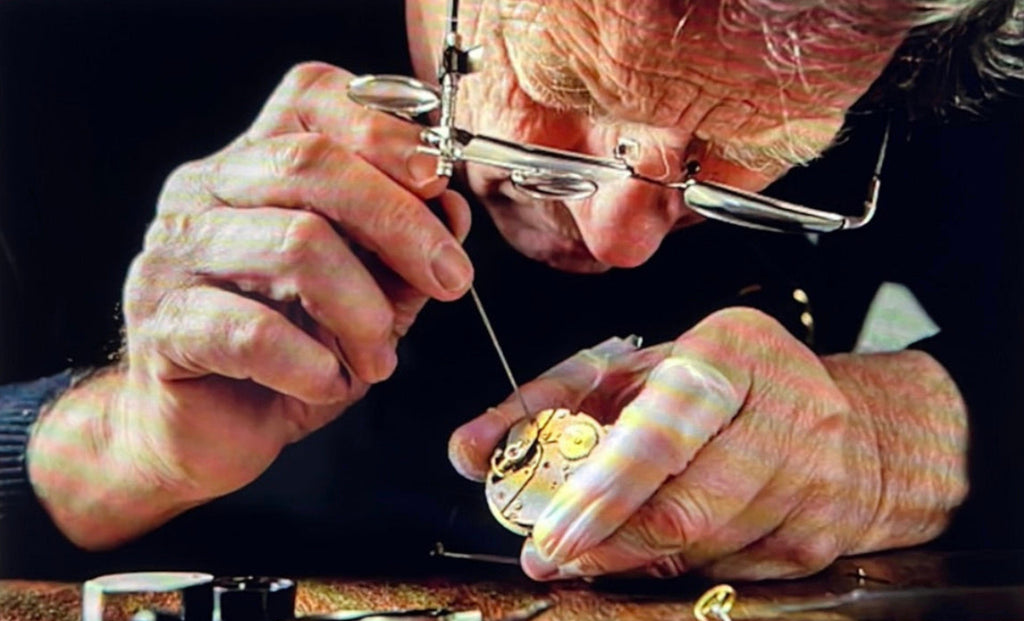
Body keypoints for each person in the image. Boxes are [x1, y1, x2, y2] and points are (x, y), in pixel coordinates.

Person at [0, 0, 1021, 580]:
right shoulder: (64, 40)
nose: (617, 237)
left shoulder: (944, 49)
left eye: (752, 148)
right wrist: (118, 443)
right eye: (568, 90)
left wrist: (906, 437)